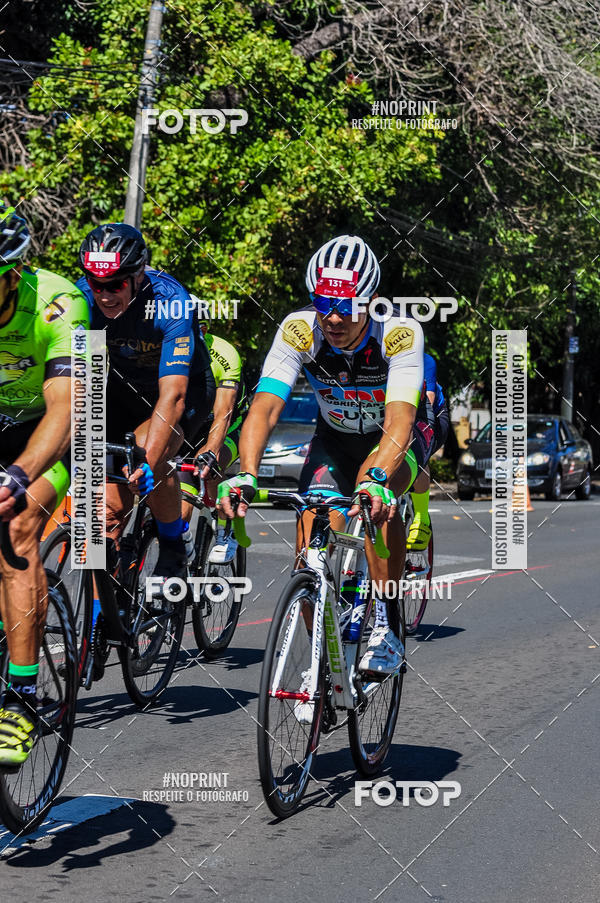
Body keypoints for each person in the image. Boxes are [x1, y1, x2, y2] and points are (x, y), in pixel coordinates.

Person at [217, 234, 428, 678]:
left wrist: (374, 478)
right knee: (309, 549)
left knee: (380, 504)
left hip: (392, 439)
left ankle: (386, 626)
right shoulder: (299, 329)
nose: (332, 317)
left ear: (369, 302)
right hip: (333, 439)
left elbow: (399, 422)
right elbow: (266, 407)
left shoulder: (399, 333)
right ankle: (322, 663)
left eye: (345, 306)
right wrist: (246, 475)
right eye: (321, 302)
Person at [0, 205, 89, 766]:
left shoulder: (59, 301)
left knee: (17, 525)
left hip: (53, 427)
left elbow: (66, 410)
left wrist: (17, 473)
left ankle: (22, 695)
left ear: (8, 273)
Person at [76, 224, 215, 580]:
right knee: (101, 519)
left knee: (143, 455)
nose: (104, 295)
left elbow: (174, 396)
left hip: (182, 392)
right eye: (96, 283)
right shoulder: (81, 301)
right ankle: (98, 626)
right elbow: (83, 383)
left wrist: (146, 464)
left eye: (116, 284)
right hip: (122, 391)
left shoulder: (171, 302)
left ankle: (172, 542)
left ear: (138, 276)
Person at [180, 305, 249, 564]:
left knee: (212, 466)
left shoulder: (223, 353)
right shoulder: (164, 349)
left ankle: (224, 528)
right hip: (189, 429)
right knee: (180, 508)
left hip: (229, 427)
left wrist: (210, 451)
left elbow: (223, 414)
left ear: (204, 329)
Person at [406, 351, 449, 550]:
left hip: (429, 412)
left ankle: (421, 518)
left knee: (416, 450)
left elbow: (428, 402)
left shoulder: (425, 360)